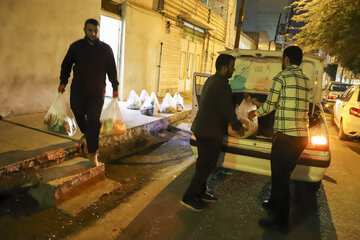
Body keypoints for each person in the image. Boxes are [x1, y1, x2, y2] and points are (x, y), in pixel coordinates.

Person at [248, 46, 310, 232]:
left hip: (286, 137)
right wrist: (264, 104)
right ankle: (273, 204)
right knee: (282, 175)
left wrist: (254, 112)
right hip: (301, 137)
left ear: (286, 59)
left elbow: (269, 106)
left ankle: (281, 222)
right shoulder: (306, 81)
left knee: (281, 179)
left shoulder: (281, 77)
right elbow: (284, 103)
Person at [181, 54, 244, 211]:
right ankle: (189, 197)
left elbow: (221, 104)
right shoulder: (221, 84)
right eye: (232, 66)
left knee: (205, 164)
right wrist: (237, 126)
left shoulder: (213, 80)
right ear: (224, 68)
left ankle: (201, 193)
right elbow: (227, 110)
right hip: (209, 131)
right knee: (205, 166)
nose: (233, 69)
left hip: (204, 129)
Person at [58, 18, 119, 166]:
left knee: (92, 119)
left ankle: (93, 154)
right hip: (78, 90)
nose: (93, 33)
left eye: (95, 31)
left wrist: (115, 87)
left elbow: (112, 69)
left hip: (97, 92)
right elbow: (66, 65)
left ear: (98, 31)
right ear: (84, 30)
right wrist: (63, 82)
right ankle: (92, 131)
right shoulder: (76, 47)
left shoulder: (105, 49)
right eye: (90, 30)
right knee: (77, 112)